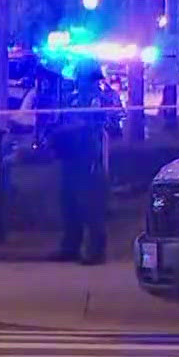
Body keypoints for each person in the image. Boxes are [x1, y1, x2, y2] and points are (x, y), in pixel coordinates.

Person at [49, 65, 118, 265]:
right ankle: (70, 246)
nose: (80, 81)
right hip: (71, 156)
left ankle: (96, 250)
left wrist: (66, 128)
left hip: (90, 156)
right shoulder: (73, 99)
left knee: (91, 205)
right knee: (68, 202)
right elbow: (62, 120)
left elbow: (93, 124)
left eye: (84, 78)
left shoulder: (100, 99)